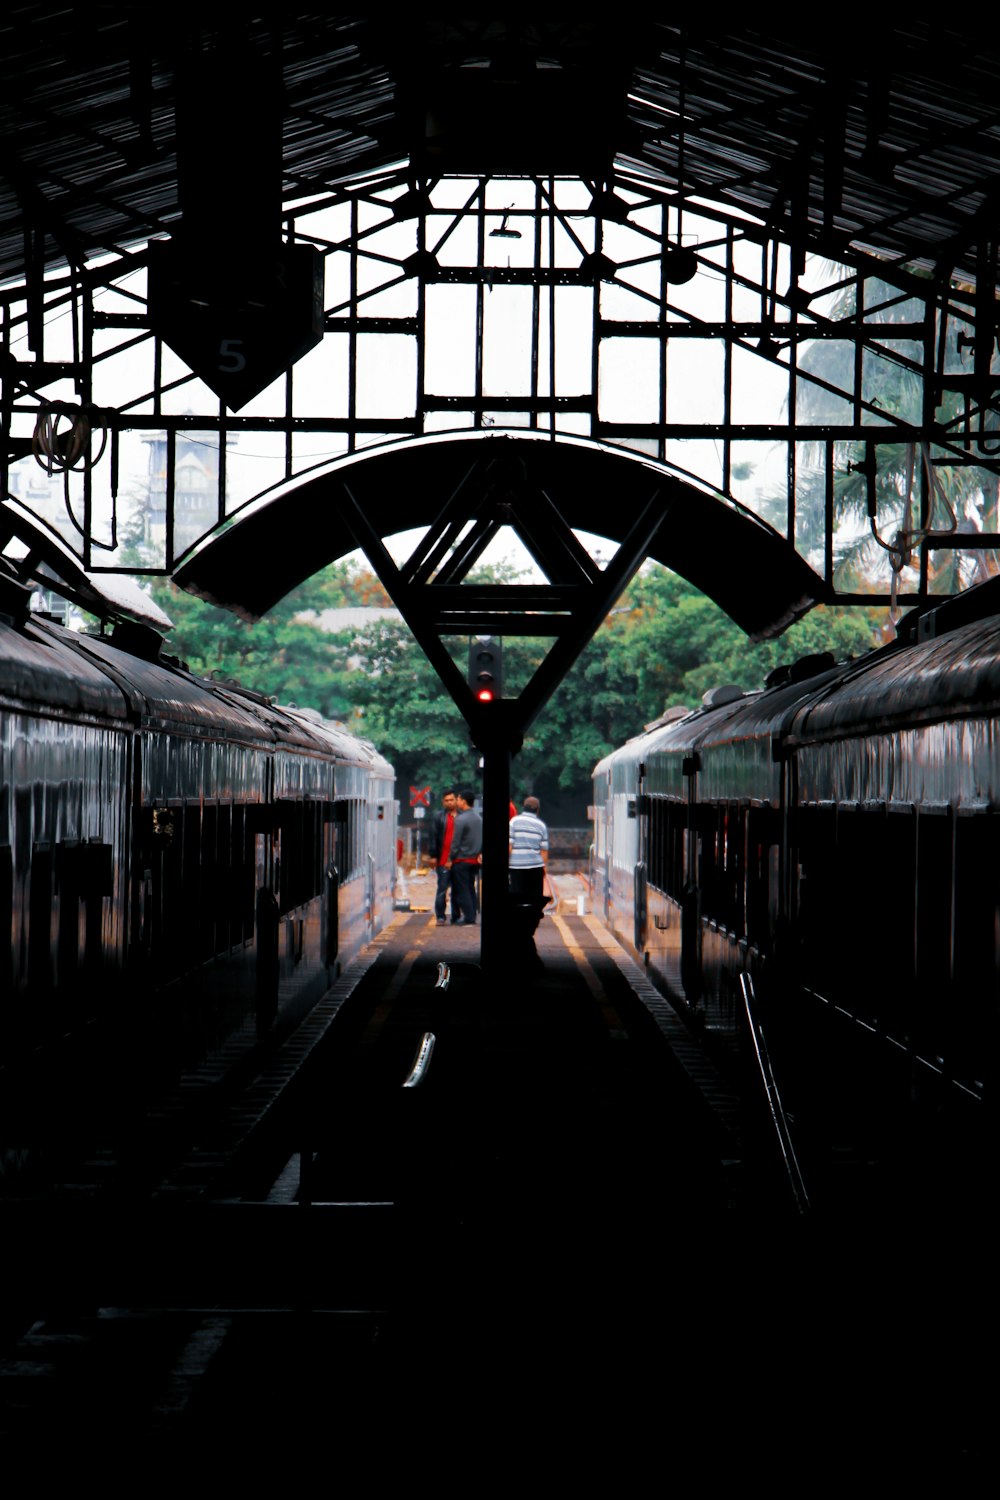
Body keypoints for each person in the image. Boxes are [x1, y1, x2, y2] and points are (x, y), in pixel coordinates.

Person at [449, 790, 482, 926]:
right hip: (475, 859)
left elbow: (456, 842)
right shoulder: (479, 818)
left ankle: (469, 917)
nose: (457, 802)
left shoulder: (460, 819)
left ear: (463, 801)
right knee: (470, 887)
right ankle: (472, 913)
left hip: (461, 859)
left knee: (463, 889)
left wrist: (450, 857)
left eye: (458, 799)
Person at [428, 788, 458, 925]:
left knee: (458, 889)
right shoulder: (438, 817)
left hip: (458, 860)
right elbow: (433, 837)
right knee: (442, 889)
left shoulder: (462, 816)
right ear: (442, 802)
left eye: (451, 800)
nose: (449, 803)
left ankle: (456, 915)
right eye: (446, 801)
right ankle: (440, 916)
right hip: (443, 859)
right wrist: (433, 855)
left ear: (457, 800)